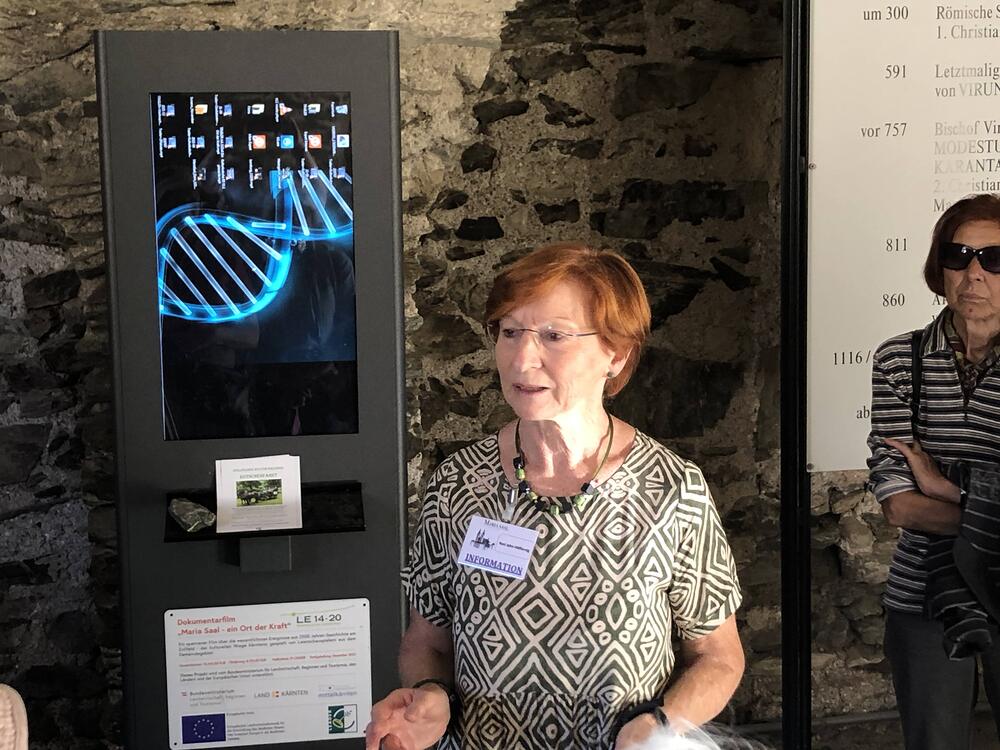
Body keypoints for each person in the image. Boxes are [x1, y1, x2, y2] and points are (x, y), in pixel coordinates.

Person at [366, 242, 744, 750]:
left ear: (616, 354)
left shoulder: (671, 490)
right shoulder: (457, 485)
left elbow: (718, 658)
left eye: (554, 335)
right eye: (510, 332)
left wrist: (659, 724)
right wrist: (431, 694)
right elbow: (426, 642)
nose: (523, 358)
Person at [868, 193, 1000, 749]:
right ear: (939, 266)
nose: (974, 273)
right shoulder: (900, 360)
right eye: (958, 255)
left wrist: (944, 487)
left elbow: (923, 499)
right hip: (924, 592)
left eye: (994, 259)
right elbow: (899, 504)